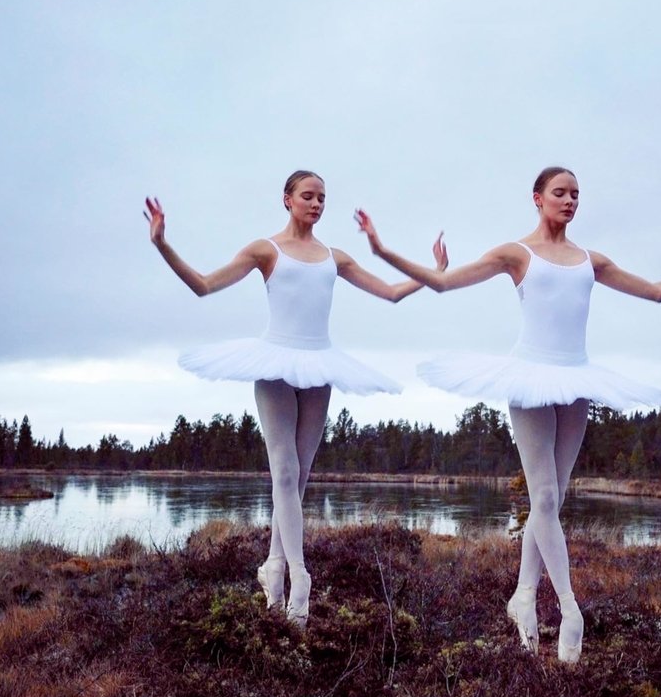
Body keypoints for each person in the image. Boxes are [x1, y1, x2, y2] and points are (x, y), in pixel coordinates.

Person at [356, 166, 661, 662]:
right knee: (544, 496)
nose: (570, 201)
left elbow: (655, 291)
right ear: (537, 198)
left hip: (576, 381)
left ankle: (523, 595)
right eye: (560, 193)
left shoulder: (590, 260)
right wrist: (382, 251)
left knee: (552, 501)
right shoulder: (516, 254)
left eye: (576, 195)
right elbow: (442, 284)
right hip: (529, 378)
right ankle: (570, 609)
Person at [145, 170, 443, 626]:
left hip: (319, 365)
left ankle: (273, 565)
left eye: (322, 197)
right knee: (284, 471)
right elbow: (203, 285)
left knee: (299, 476)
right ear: (287, 199)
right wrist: (162, 244)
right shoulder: (265, 250)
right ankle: (298, 576)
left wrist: (433, 275)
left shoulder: (334, 257)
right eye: (308, 196)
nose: (316, 203)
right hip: (274, 364)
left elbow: (390, 293)